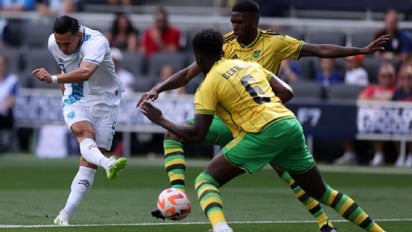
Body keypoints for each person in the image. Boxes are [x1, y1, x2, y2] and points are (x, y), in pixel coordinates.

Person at [137, 1, 389, 231]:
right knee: (174, 133)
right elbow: (188, 73)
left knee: (286, 175)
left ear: (255, 22)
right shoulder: (226, 46)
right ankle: (178, 197)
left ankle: (323, 222)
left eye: (239, 22)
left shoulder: (273, 43)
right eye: (232, 22)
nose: (234, 27)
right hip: (249, 123)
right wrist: (158, 88)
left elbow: (320, 49)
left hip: (260, 125)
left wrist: (360, 50)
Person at [31, 15, 128, 225]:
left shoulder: (96, 42)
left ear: (79, 35)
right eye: (59, 43)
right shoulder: (53, 42)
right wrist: (65, 98)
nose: (63, 48)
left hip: (105, 101)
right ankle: (108, 163)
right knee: (84, 134)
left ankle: (64, 214)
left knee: (88, 164)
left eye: (67, 43)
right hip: (76, 97)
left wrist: (53, 79)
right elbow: (62, 64)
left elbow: (85, 72)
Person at [359, 62, 396, 166]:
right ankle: (378, 154)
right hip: (371, 119)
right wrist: (380, 98)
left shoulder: (396, 89)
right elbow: (361, 98)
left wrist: (373, 99)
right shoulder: (372, 88)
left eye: (389, 76)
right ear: (379, 77)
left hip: (391, 119)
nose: (386, 78)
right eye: (383, 76)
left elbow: (389, 99)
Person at [391, 63, 412, 167]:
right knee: (395, 125)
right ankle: (401, 155)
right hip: (399, 120)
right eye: (404, 77)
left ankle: (410, 156)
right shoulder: (397, 93)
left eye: (409, 77)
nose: (407, 80)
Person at [0, 55, 19, 153]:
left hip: (5, 114)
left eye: (1, 65)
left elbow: (12, 100)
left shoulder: (12, 80)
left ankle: (5, 144)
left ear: (5, 66)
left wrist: (3, 107)